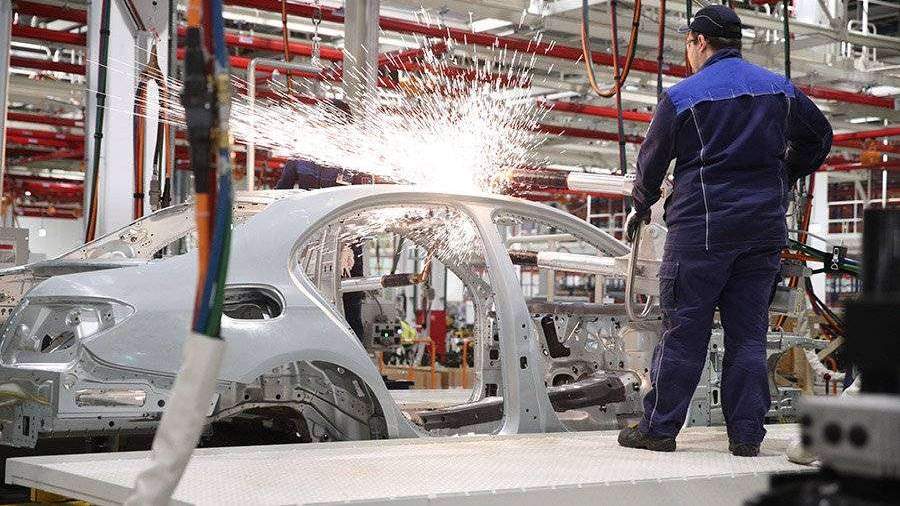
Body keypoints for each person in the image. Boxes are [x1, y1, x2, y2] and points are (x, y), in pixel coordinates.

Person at [617, 5, 832, 457]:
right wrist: (785, 174)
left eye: (688, 44)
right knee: (748, 337)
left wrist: (641, 204)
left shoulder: (683, 97)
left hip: (701, 233)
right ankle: (746, 437)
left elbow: (652, 162)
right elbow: (819, 136)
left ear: (699, 42)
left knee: (683, 332)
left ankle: (659, 430)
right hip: (762, 232)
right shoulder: (779, 89)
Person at [276, 99, 366, 340]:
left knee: (350, 307)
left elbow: (363, 205)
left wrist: (349, 243)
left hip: (347, 244)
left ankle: (354, 356)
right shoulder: (301, 155)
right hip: (306, 241)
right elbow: (280, 194)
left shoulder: (355, 158)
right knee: (303, 304)